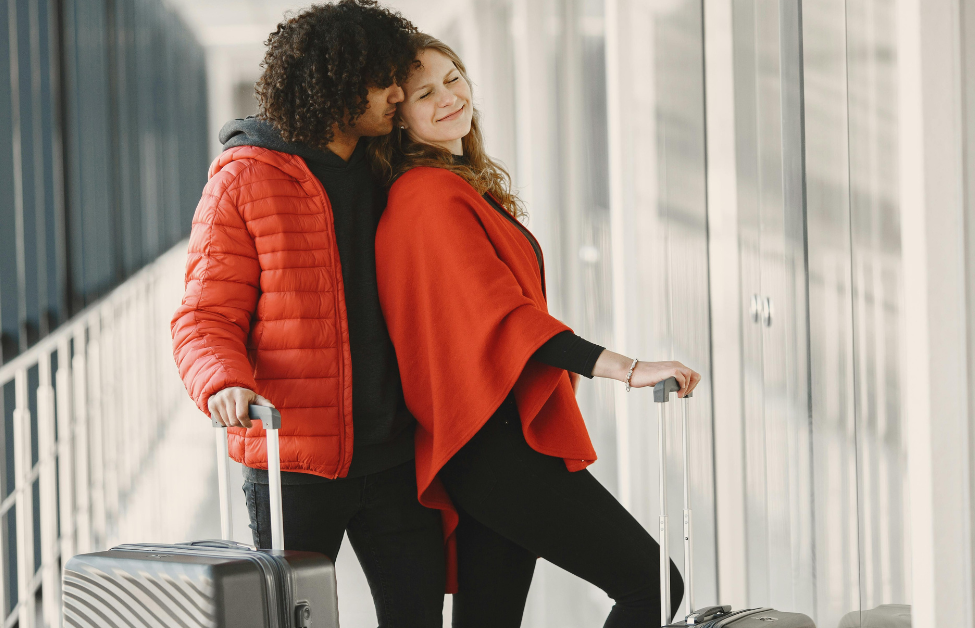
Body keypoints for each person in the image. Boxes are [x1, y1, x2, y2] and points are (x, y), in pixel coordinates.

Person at [370, 34, 699, 628]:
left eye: (453, 77)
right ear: (400, 119)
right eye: (425, 93)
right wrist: (628, 369)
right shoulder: (429, 195)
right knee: (651, 585)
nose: (449, 97)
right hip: (493, 443)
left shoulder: (448, 185)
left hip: (482, 439)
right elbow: (504, 316)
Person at [170, 3, 446, 625]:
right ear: (337, 83)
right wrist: (222, 380)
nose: (397, 95)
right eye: (383, 81)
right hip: (292, 462)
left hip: (398, 455)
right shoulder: (244, 179)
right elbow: (204, 315)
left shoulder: (392, 169)